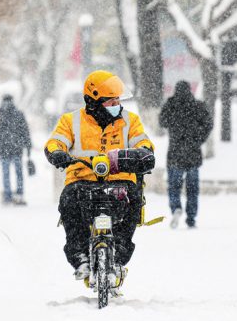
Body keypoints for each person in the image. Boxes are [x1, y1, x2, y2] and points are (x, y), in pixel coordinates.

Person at [44, 70, 155, 290]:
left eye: (118, 100)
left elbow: (144, 145)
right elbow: (54, 143)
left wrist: (139, 154)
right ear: (93, 101)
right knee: (68, 202)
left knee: (134, 201)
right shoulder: (70, 121)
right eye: (110, 100)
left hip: (120, 182)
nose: (117, 104)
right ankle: (80, 257)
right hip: (81, 182)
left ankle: (120, 255)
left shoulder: (130, 121)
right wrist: (57, 153)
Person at [159, 81, 213, 229]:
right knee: (192, 188)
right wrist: (198, 139)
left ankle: (176, 207)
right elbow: (208, 124)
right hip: (193, 153)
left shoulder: (171, 105)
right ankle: (191, 216)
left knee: (174, 186)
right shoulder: (197, 106)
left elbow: (162, 122)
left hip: (175, 153)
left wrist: (171, 107)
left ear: (175, 90)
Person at [0, 95, 32, 205]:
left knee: (5, 174)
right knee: (19, 173)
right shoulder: (19, 114)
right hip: (17, 149)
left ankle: (8, 197)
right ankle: (19, 196)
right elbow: (25, 132)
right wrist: (28, 147)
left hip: (3, 149)